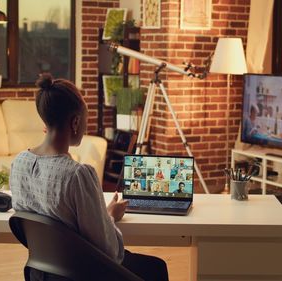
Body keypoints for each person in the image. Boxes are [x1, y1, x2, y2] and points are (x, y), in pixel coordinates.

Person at [10, 74, 168, 281]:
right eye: (86, 120)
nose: (85, 127)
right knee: (156, 268)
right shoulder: (77, 174)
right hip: (82, 273)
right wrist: (109, 217)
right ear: (75, 122)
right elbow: (110, 251)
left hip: (42, 273)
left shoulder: (19, 163)